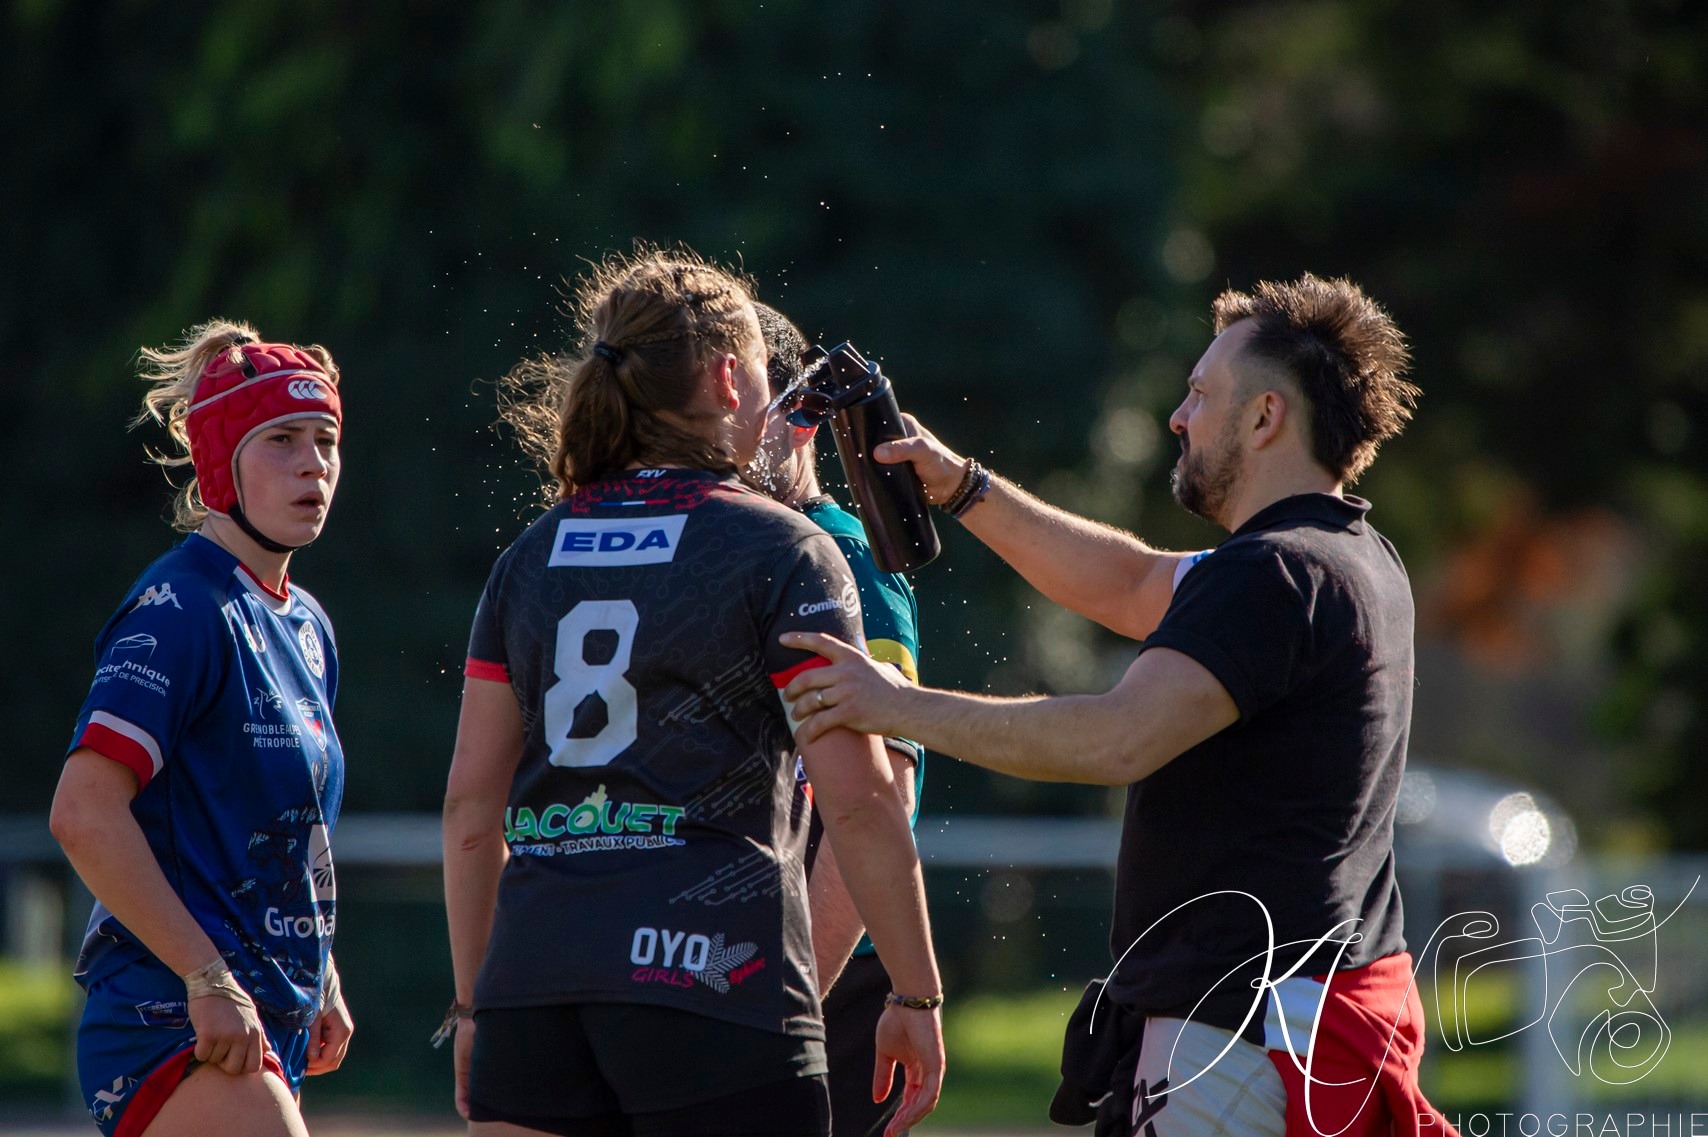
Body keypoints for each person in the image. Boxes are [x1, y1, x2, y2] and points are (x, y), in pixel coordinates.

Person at [782, 275, 1460, 1137]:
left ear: (1264, 418)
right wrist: (961, 486)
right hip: (1299, 1017)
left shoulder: (1273, 574)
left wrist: (892, 704)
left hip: (1235, 1039)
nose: (1179, 416)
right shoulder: (1353, 554)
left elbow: (1114, 739)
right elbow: (1133, 579)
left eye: (1200, 393)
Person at [440, 246, 944, 1137]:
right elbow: (863, 800)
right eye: (760, 370)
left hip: (534, 987)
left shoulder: (528, 555)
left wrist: (479, 1005)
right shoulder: (785, 549)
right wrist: (914, 989)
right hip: (713, 980)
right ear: (724, 375)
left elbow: (472, 809)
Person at [50, 321, 353, 1137]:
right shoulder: (182, 607)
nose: (313, 463)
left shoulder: (307, 625)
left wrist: (322, 977)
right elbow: (82, 812)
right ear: (219, 463)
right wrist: (206, 975)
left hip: (258, 1014)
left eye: (325, 439)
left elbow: (279, 830)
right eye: (282, 440)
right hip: (169, 1013)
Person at [749, 303, 926, 1137]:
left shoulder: (843, 555)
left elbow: (882, 795)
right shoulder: (746, 545)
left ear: (801, 417)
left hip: (824, 988)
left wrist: (788, 1015)